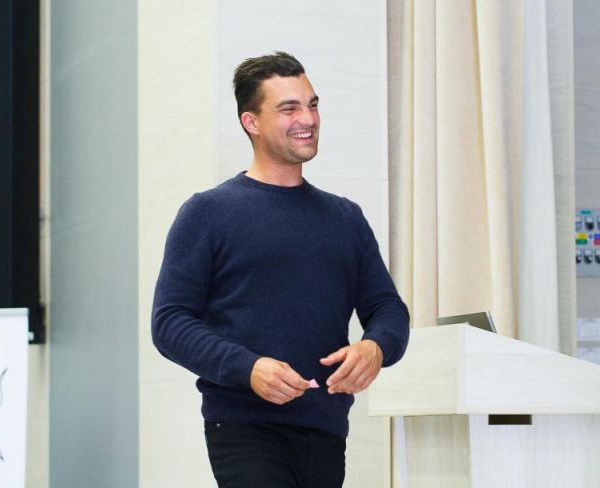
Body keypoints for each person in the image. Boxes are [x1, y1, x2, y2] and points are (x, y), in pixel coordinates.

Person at [151, 51, 410, 488]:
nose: (307, 119)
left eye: (312, 104)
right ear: (250, 122)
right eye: (289, 108)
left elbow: (388, 309)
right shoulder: (208, 212)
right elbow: (170, 322)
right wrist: (247, 367)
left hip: (327, 429)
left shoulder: (345, 218)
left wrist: (375, 348)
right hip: (245, 427)